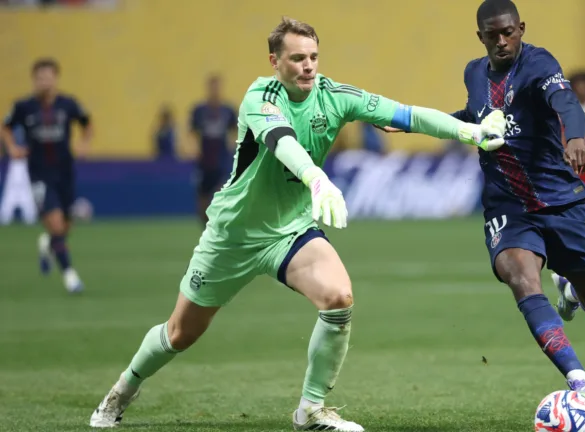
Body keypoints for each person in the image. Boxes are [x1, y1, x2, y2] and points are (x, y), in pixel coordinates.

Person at [88, 16, 507, 431]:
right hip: (233, 235)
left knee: (338, 296)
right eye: (297, 59)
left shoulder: (335, 96)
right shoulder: (259, 97)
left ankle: (311, 409)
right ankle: (122, 391)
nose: (308, 66)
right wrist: (316, 179)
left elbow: (407, 115)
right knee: (181, 333)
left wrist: (471, 132)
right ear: (275, 61)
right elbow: (282, 142)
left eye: (313, 57)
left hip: (290, 231)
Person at [382, 0, 585, 409]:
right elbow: (471, 118)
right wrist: (407, 121)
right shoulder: (474, 73)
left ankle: (569, 283)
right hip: (506, 208)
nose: (502, 40)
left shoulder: (539, 65)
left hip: (559, 201)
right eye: (493, 34)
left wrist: (575, 137)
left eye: (509, 31)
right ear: (481, 37)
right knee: (521, 278)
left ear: (521, 28)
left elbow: (568, 105)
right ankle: (580, 381)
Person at [1, 58, 92, 292]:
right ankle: (70, 276)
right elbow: (6, 126)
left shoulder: (68, 104)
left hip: (65, 172)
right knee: (55, 223)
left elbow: (87, 122)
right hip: (40, 174)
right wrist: (11, 147)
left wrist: (83, 143)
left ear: (55, 78)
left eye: (48, 77)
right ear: (34, 80)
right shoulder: (25, 106)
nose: (44, 82)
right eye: (40, 78)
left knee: (65, 227)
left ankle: (47, 244)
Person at [189, 75, 238, 225]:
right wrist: (193, 149)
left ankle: (220, 225)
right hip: (205, 160)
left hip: (222, 159)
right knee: (203, 196)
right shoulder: (199, 110)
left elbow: (236, 130)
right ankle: (205, 225)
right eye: (212, 86)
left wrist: (234, 147)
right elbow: (192, 132)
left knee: (221, 191)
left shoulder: (228, 110)